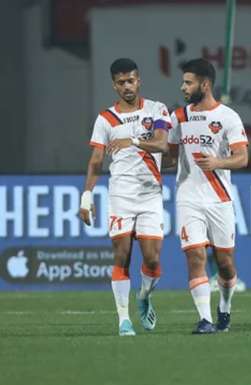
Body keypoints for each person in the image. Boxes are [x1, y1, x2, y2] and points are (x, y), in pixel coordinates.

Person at [79, 58, 170, 336]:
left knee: (152, 259)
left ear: (138, 80)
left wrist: (132, 141)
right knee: (122, 255)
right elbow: (96, 160)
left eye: (131, 80)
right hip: (120, 194)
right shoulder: (105, 119)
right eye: (121, 82)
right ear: (114, 86)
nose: (127, 86)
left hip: (150, 194)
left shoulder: (156, 109)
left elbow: (162, 144)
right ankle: (123, 320)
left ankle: (143, 296)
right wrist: (86, 196)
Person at [167, 59, 248, 334]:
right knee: (195, 256)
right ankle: (204, 319)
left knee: (225, 264)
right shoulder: (179, 117)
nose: (183, 87)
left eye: (188, 83)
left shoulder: (228, 117)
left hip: (219, 199)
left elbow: (242, 158)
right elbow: (170, 156)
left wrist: (218, 163)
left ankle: (224, 306)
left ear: (205, 85)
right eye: (183, 82)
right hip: (187, 197)